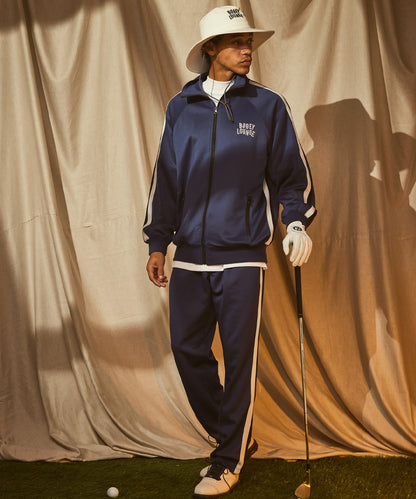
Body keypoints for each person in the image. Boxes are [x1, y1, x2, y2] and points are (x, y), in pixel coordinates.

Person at [143, 5, 316, 497]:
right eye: (237, 42)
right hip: (189, 256)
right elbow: (166, 180)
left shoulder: (267, 105)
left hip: (242, 255)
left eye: (249, 42)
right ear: (211, 49)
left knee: (240, 360)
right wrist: (158, 242)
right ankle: (235, 436)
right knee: (187, 350)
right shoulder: (181, 107)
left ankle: (227, 461)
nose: (247, 50)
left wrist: (296, 222)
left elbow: (291, 176)